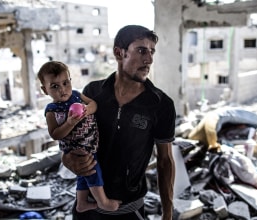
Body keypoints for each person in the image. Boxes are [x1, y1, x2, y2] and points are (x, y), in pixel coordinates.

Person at [61, 25, 176, 220]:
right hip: (87, 210)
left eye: (151, 52)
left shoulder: (160, 104)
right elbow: (73, 137)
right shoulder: (93, 93)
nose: (149, 59)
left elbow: (165, 162)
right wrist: (67, 159)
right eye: (141, 50)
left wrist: (168, 213)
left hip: (129, 211)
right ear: (119, 53)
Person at [37, 61, 121, 212]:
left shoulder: (76, 95)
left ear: (70, 80)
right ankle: (103, 202)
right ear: (45, 90)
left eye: (65, 82)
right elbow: (55, 134)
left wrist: (87, 110)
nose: (62, 89)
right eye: (54, 86)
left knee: (82, 175)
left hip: (90, 141)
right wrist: (69, 123)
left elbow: (94, 104)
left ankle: (81, 202)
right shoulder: (52, 111)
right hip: (76, 148)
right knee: (91, 170)